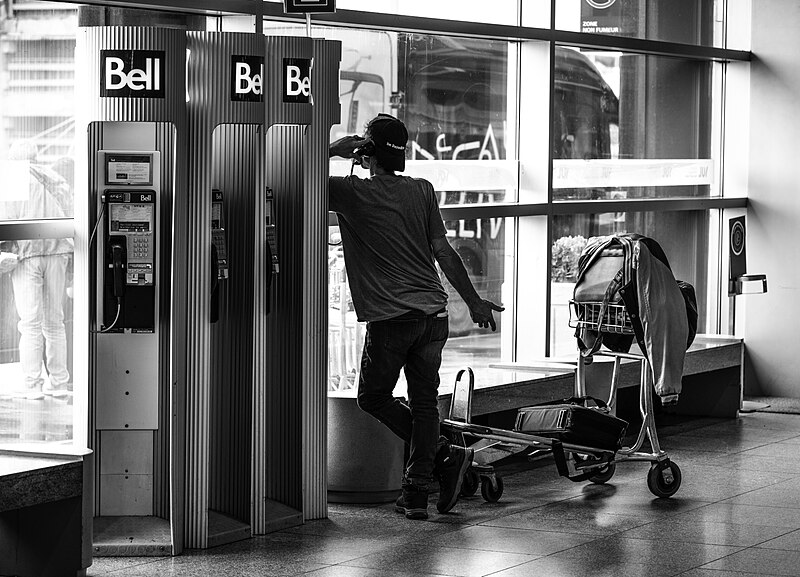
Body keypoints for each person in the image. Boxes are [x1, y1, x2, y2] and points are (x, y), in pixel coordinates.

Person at [329, 114, 504, 520]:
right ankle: (416, 492)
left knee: (373, 397)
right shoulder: (422, 191)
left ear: (366, 152)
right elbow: (444, 251)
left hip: (393, 321)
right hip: (433, 316)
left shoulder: (352, 192)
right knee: (424, 403)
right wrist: (475, 302)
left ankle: (443, 456)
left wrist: (335, 150)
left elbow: (296, 177)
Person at [2, 142, 73, 400]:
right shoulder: (55, 178)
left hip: (27, 254)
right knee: (55, 321)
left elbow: (6, 219)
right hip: (58, 252)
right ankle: (59, 382)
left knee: (30, 323)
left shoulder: (13, 177)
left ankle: (32, 385)